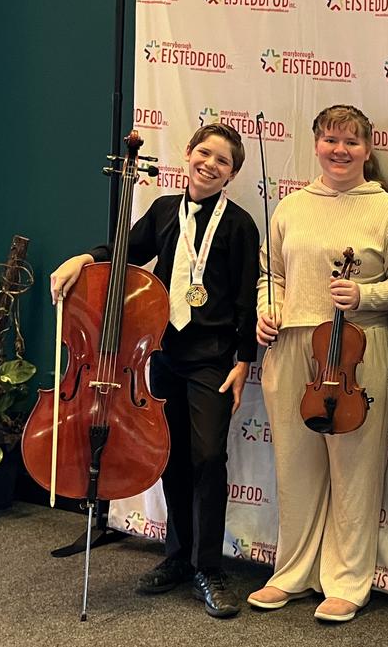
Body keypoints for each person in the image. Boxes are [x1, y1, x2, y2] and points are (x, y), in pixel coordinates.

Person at [50, 123, 259, 618]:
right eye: (204, 153)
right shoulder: (165, 209)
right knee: (172, 456)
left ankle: (209, 566)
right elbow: (124, 254)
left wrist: (244, 360)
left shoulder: (240, 224)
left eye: (223, 162)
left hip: (211, 358)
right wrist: (83, 258)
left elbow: (249, 296)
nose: (210, 164)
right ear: (188, 155)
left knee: (208, 457)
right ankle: (177, 558)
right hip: (158, 355)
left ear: (232, 175)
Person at [247, 104, 388, 623]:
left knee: (355, 469)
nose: (341, 150)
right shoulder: (292, 206)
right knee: (294, 464)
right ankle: (290, 572)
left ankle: (347, 581)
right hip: (294, 345)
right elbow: (271, 272)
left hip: (359, 349)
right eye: (331, 140)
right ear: (316, 143)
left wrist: (363, 292)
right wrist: (266, 308)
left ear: (367, 149)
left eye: (352, 142)